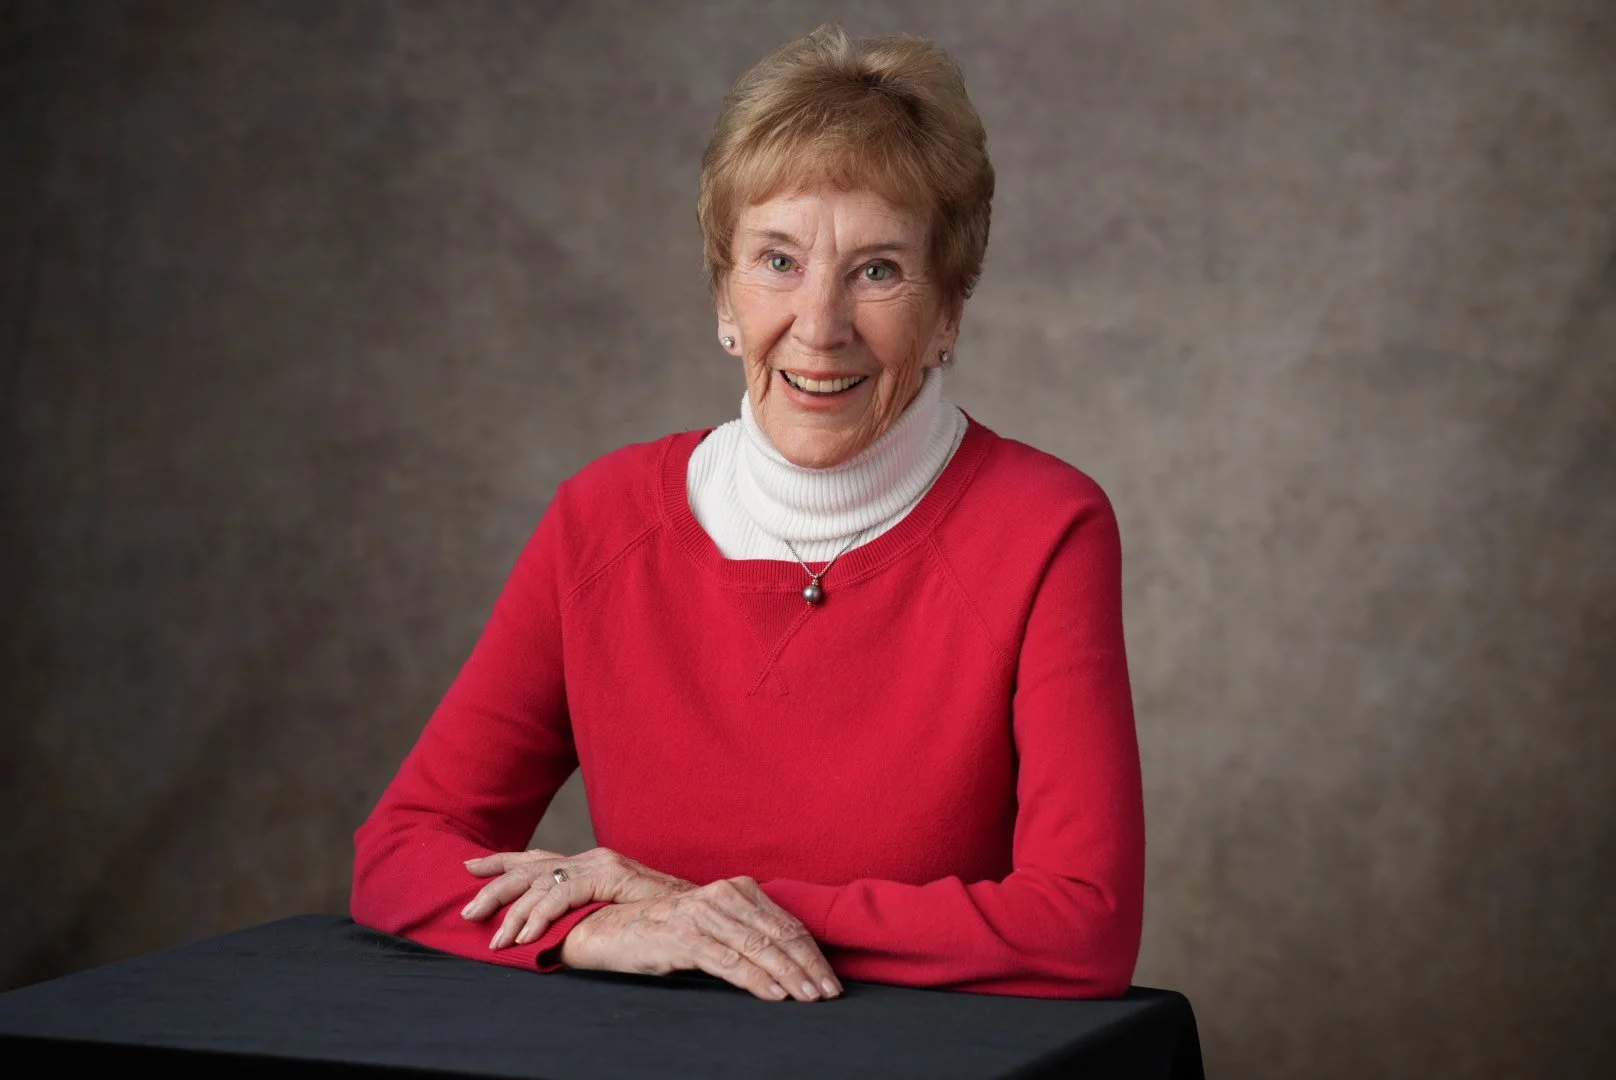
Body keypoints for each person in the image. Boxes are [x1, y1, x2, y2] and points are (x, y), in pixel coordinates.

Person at [351, 23, 1144, 1003]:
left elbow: (1084, 928)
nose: (818, 325)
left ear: (948, 315)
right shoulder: (599, 520)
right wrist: (603, 928)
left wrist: (709, 910)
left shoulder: (1044, 528)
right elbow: (399, 856)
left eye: (878, 270)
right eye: (776, 261)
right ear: (722, 296)